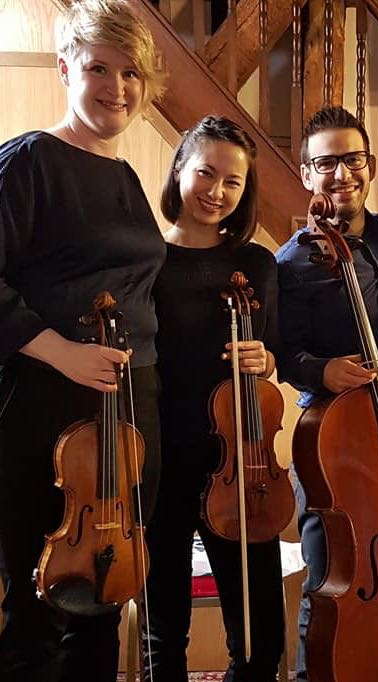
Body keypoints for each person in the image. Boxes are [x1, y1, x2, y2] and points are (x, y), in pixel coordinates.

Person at [0, 1, 167, 680]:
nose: (117, 87)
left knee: (105, 598)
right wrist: (60, 350)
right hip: (44, 406)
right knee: (39, 607)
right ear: (66, 66)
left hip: (128, 411)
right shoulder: (29, 161)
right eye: (99, 67)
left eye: (131, 73)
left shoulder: (126, 176)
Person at [275, 106, 378, 680]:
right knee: (332, 579)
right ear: (308, 173)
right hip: (333, 438)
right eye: (326, 162)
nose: (341, 174)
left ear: (371, 166)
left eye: (352, 159)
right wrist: (322, 369)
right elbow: (286, 354)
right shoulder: (290, 261)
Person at [142, 115, 284, 682]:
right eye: (205, 172)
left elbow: (270, 352)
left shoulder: (256, 264)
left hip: (241, 463)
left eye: (233, 182)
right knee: (163, 629)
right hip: (161, 457)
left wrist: (265, 359)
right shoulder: (146, 261)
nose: (216, 191)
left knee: (260, 637)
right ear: (180, 169)